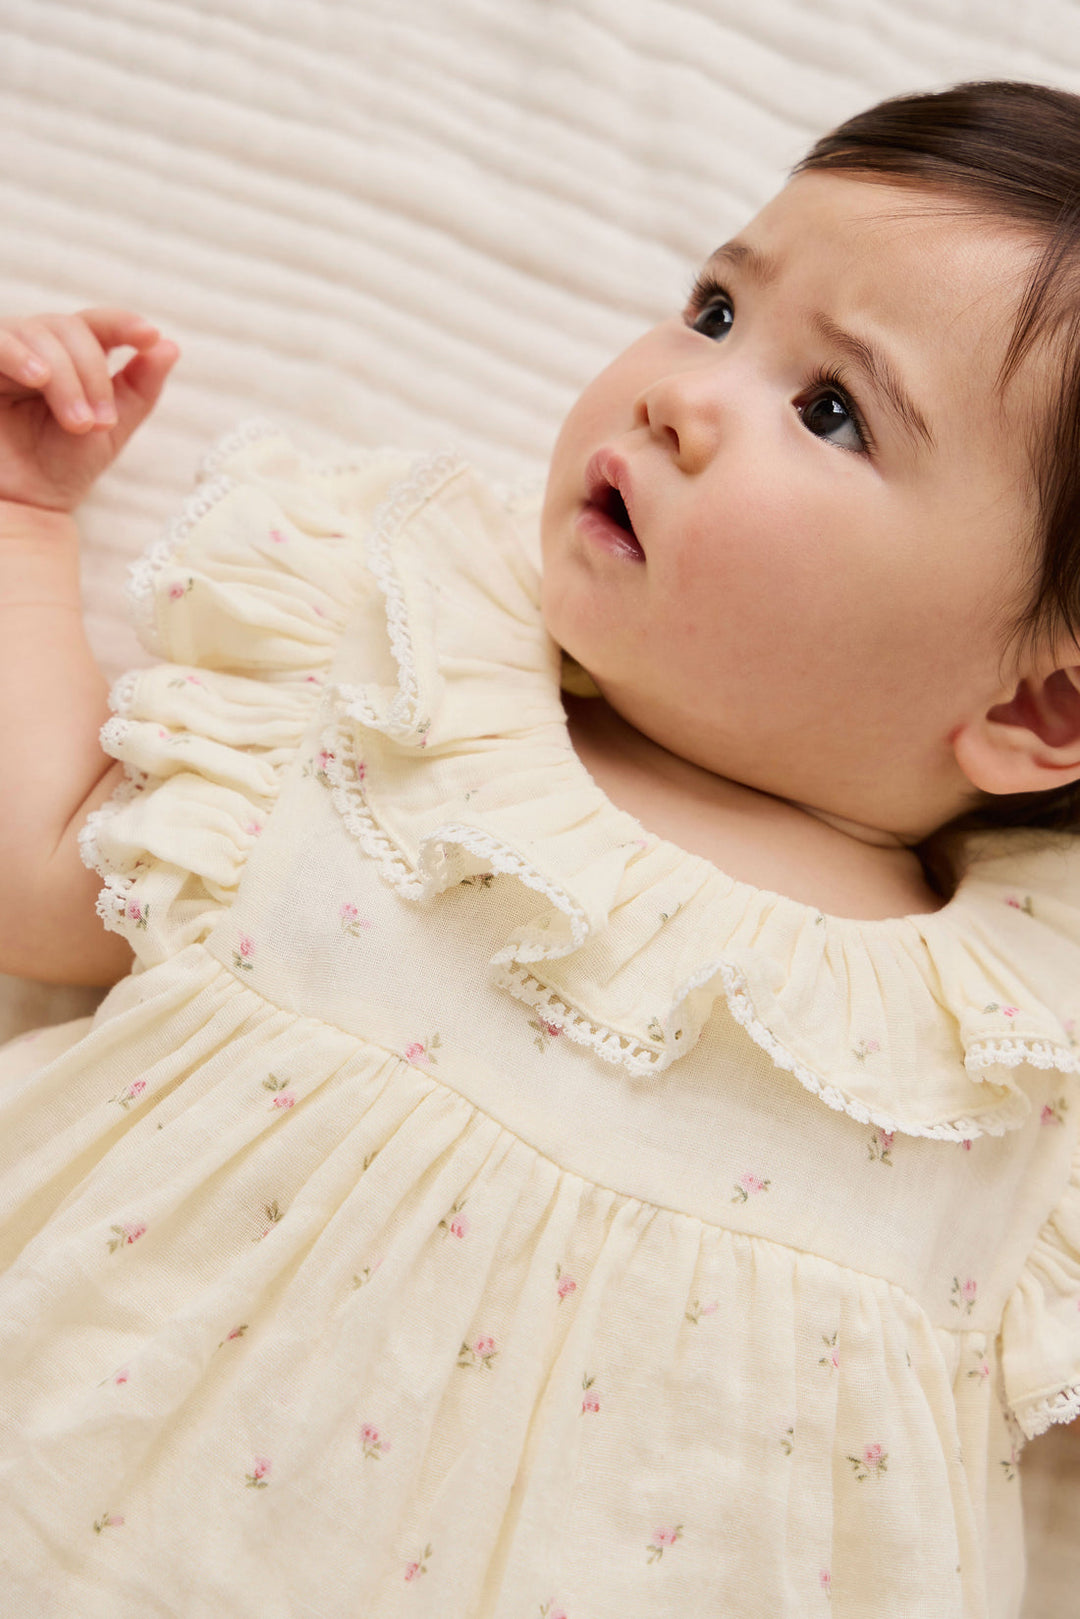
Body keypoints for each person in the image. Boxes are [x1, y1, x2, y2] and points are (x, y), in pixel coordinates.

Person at [0, 77, 1078, 1619]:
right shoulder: (401, 701)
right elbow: (47, 887)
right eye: (714, 310)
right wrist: (25, 523)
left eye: (829, 410)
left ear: (1039, 702)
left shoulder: (1020, 1055)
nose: (680, 393)